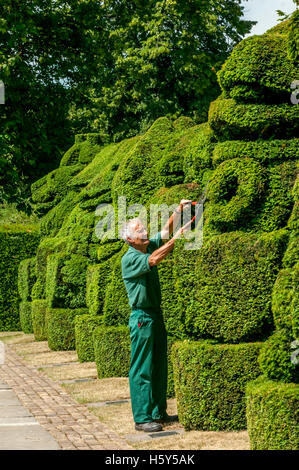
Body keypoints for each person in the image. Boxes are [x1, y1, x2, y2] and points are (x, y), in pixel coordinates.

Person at [120, 200, 193, 432]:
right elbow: (154, 260)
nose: (144, 231)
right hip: (141, 317)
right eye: (139, 230)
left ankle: (158, 412)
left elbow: (165, 230)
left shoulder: (147, 245)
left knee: (159, 364)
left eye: (143, 228)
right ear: (130, 239)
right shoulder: (130, 257)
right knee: (142, 367)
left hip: (155, 315)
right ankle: (142, 418)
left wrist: (179, 211)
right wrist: (175, 241)